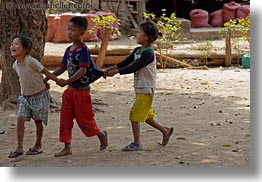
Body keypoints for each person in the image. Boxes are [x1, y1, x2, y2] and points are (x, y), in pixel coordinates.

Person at [104, 19, 174, 151]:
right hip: (140, 87)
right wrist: (109, 69)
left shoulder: (148, 53)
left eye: (139, 32)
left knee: (134, 115)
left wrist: (116, 72)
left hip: (146, 89)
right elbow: (125, 62)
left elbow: (135, 66)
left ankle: (137, 143)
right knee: (147, 116)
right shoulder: (137, 51)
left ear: (147, 37)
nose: (137, 34)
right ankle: (166, 131)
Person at [45, 16, 108, 157]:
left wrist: (66, 82)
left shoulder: (83, 50)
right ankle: (67, 146)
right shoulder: (68, 50)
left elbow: (82, 70)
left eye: (72, 30)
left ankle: (101, 134)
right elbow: (62, 68)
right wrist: (48, 77)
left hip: (81, 93)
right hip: (69, 92)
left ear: (82, 32)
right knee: (65, 119)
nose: (69, 33)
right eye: (68, 29)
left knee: (84, 120)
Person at [8, 35, 60, 158]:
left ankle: (38, 145)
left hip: (39, 95)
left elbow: (46, 72)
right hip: (25, 98)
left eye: (16, 44)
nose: (12, 46)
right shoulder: (15, 65)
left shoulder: (31, 61)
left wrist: (59, 81)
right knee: (20, 119)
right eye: (12, 44)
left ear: (25, 48)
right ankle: (19, 148)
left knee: (38, 121)